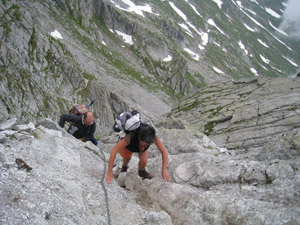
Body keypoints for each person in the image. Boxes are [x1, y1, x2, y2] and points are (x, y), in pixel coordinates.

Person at [106, 123, 170, 183]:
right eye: (143, 144)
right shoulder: (129, 138)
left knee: (144, 161)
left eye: (147, 145)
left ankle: (141, 171)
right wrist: (109, 171)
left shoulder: (152, 136)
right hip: (129, 147)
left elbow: (164, 152)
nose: (143, 147)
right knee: (127, 157)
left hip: (139, 146)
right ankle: (124, 166)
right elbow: (114, 150)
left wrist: (164, 170)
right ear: (139, 138)